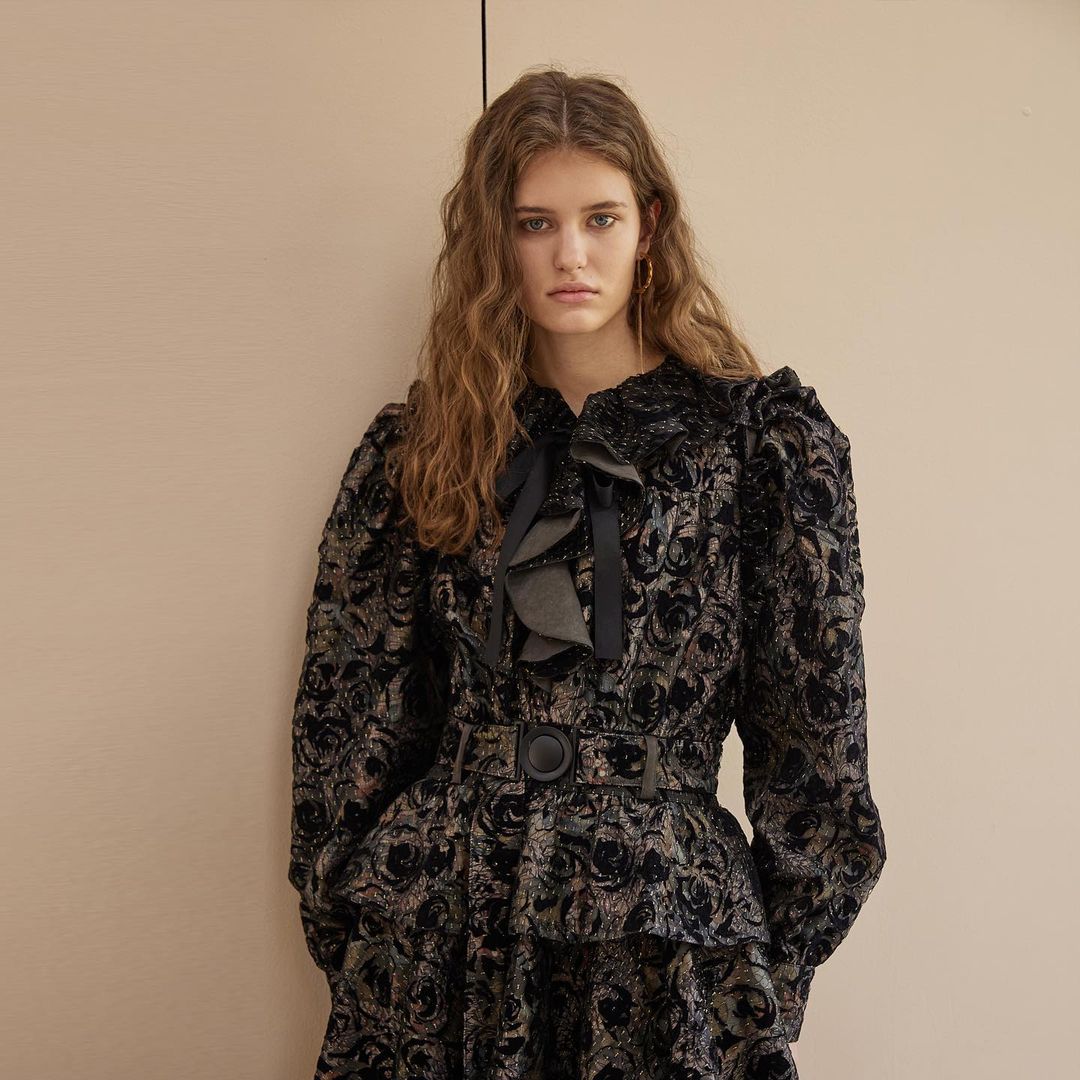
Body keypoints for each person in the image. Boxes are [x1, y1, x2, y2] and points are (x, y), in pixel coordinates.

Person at [287, 66, 886, 1080]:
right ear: (494, 240)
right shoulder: (420, 450)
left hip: (666, 947)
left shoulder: (758, 447)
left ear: (649, 226)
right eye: (535, 224)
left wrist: (756, 975)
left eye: (600, 218)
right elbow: (349, 724)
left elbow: (817, 746)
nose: (571, 254)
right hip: (444, 939)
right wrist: (362, 936)